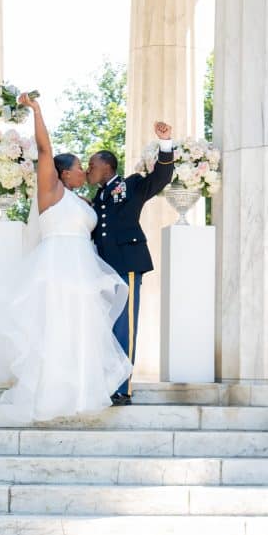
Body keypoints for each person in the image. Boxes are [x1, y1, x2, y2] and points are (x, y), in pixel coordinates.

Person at [0, 93, 132, 421]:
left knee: (82, 331)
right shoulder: (51, 190)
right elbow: (45, 150)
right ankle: (52, 396)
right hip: (58, 267)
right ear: (64, 174)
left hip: (83, 272)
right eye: (80, 167)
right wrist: (36, 110)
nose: (84, 171)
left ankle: (83, 395)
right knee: (57, 328)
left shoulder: (80, 200)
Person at [86, 126, 175, 405]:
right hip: (103, 269)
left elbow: (161, 177)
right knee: (108, 327)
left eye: (92, 166)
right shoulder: (98, 196)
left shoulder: (132, 185)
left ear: (107, 166)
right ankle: (107, 383)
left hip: (127, 265)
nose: (88, 171)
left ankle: (123, 388)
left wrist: (165, 143)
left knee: (125, 326)